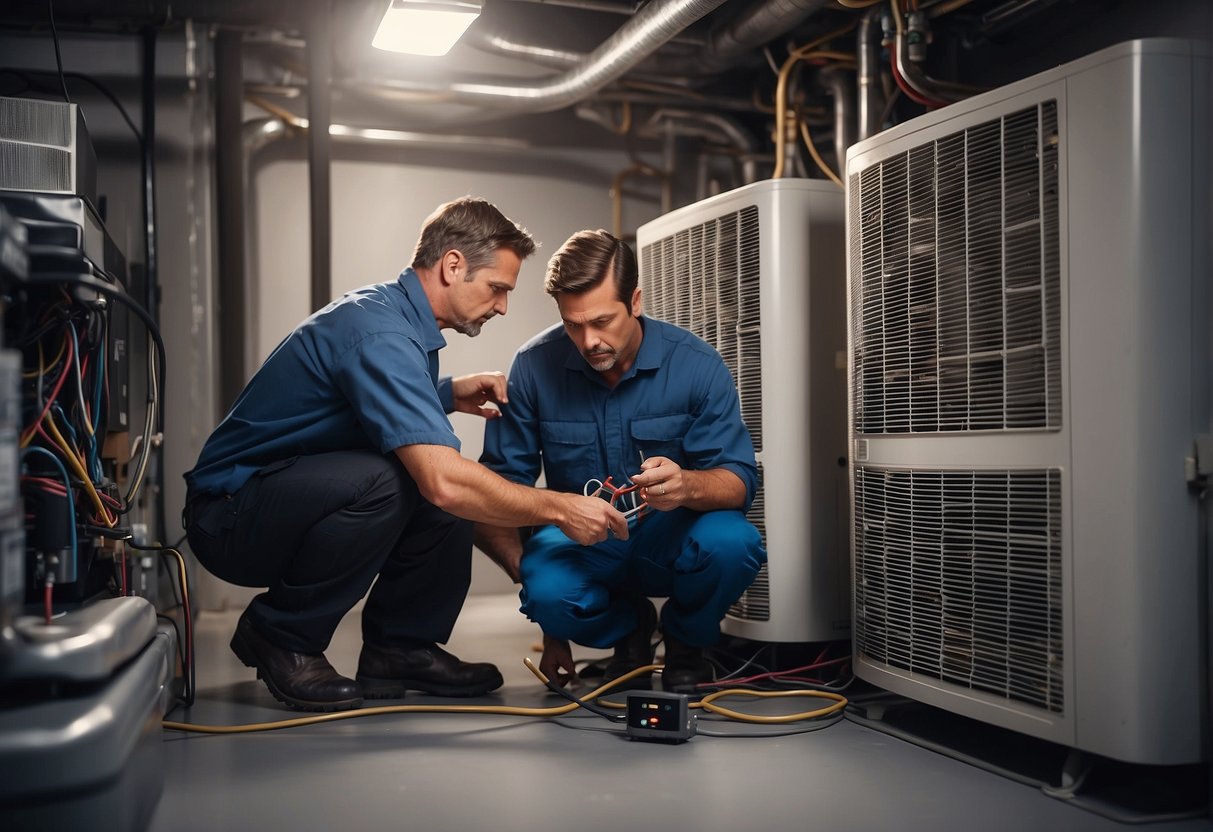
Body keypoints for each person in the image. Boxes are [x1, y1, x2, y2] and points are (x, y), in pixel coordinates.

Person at [183, 198, 629, 713]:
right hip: (229, 514)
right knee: (415, 481)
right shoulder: (381, 332)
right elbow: (443, 481)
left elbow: (343, 408)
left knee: (441, 484)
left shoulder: (392, 320)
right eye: (498, 288)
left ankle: (401, 648)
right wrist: (558, 506)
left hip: (270, 494)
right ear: (453, 265)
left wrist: (444, 393)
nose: (503, 305)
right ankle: (280, 635)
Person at [476, 229, 766, 694]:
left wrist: (687, 486)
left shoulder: (696, 365)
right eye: (573, 325)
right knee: (548, 590)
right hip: (581, 541)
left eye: (602, 321)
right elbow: (494, 494)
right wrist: (544, 611)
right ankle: (629, 632)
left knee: (734, 544)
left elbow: (738, 482)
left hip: (670, 536)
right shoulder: (533, 366)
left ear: (635, 301)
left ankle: (686, 644)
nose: (589, 341)